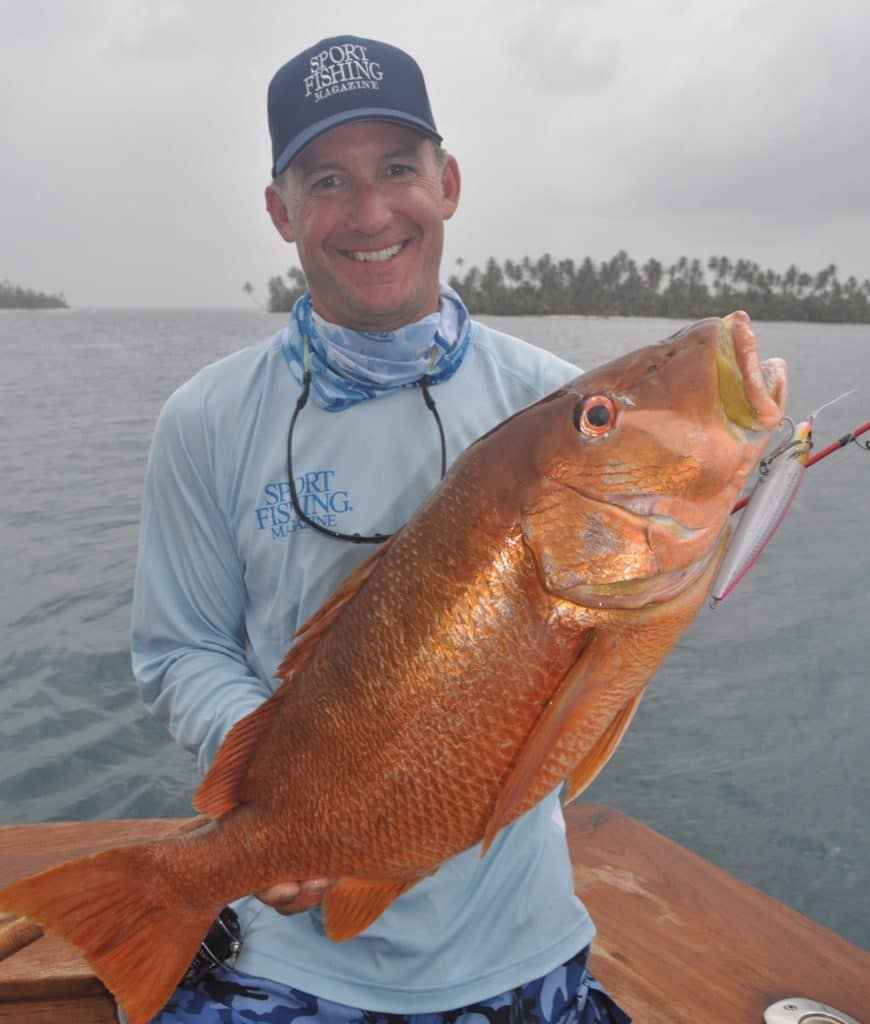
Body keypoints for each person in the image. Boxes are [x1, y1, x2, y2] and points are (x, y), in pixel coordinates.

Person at [131, 35, 631, 1024]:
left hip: (517, 939)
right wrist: (277, 813)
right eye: (329, 180)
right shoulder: (207, 418)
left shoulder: (558, 408)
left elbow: (604, 656)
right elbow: (181, 646)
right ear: (280, 210)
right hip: (296, 950)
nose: (371, 213)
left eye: (398, 169)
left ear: (447, 182)